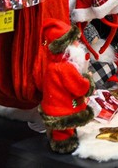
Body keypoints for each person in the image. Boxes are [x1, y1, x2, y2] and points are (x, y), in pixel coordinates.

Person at [36, 19, 95, 154]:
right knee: (65, 130)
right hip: (64, 108)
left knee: (59, 129)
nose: (78, 44)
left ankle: (57, 139)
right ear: (65, 46)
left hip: (53, 106)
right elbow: (78, 87)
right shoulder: (65, 67)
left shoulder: (51, 65)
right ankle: (64, 145)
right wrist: (88, 81)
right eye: (74, 41)